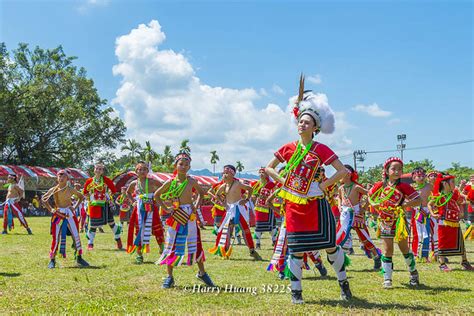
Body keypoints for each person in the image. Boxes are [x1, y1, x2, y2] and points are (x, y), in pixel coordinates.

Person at [265, 75, 352, 304]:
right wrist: (283, 182)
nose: (302, 125)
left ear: (315, 128)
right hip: (294, 204)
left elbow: (342, 171)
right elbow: (269, 168)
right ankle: (296, 293)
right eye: (300, 121)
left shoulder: (320, 148)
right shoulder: (288, 148)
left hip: (316, 203)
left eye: (307, 122)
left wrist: (321, 185)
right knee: (295, 249)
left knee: (331, 247)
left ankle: (343, 283)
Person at [155, 151, 215, 288]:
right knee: (172, 244)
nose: (183, 166)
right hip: (176, 216)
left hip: (190, 216)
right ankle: (169, 277)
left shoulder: (191, 181)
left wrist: (196, 205)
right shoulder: (170, 182)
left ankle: (202, 273)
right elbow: (157, 196)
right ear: (175, 166)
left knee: (196, 243)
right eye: (181, 164)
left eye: (186, 164)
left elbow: (201, 193)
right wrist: (166, 208)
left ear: (189, 167)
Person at [368, 157, 422, 289]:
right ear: (386, 171)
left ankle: (413, 274)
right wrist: (377, 207)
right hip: (385, 222)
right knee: (387, 250)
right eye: (394, 168)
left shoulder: (404, 186)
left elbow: (418, 200)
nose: (397, 171)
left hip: (399, 222)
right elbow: (370, 197)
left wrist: (406, 204)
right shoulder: (380, 186)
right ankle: (387, 279)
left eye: (400, 169)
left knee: (404, 249)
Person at [209, 165, 261, 260]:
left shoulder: (237, 183)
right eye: (224, 172)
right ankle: (224, 250)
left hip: (238, 209)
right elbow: (217, 195)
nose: (224, 174)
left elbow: (250, 189)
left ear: (232, 174)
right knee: (226, 230)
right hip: (229, 210)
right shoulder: (224, 186)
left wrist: (246, 200)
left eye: (226, 172)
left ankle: (252, 250)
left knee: (245, 229)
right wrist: (224, 203)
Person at [336, 165, 382, 270]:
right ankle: (340, 261)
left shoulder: (356, 187)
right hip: (344, 215)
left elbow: (370, 195)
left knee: (364, 238)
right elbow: (339, 197)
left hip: (356, 214)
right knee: (340, 238)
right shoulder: (341, 188)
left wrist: (364, 208)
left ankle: (377, 257)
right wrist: (339, 205)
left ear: (348, 174)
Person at [41, 170, 89, 268]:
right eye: (59, 176)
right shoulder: (53, 189)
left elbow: (81, 197)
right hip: (58, 214)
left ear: (67, 178)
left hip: (70, 214)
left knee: (76, 236)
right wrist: (51, 209)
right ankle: (52, 260)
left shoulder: (71, 189)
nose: (61, 178)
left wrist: (74, 207)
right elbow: (43, 199)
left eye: (63, 176)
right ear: (57, 178)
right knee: (56, 238)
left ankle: (79, 257)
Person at [428, 173, 473, 271]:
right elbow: (429, 204)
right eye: (452, 182)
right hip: (443, 223)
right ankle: (442, 264)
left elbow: (460, 203)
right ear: (445, 183)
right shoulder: (438, 196)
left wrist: (461, 211)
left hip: (455, 222)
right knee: (442, 243)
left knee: (460, 242)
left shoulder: (455, 194)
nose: (454, 184)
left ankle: (465, 262)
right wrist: (432, 214)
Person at [126, 162, 164, 263]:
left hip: (152, 208)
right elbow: (128, 193)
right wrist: (133, 202)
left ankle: (162, 250)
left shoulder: (152, 181)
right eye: (140, 169)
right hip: (139, 209)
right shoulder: (134, 183)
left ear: (147, 171)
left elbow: (164, 188)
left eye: (144, 169)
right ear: (136, 172)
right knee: (139, 229)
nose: (142, 171)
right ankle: (139, 254)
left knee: (157, 228)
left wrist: (157, 199)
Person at [83, 163, 122, 250]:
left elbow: (114, 190)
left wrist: (109, 197)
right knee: (93, 225)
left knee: (111, 223)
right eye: (97, 168)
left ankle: (118, 238)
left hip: (105, 205)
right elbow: (85, 192)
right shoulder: (89, 181)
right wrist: (89, 199)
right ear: (94, 169)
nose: (98, 170)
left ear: (102, 171)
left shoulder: (106, 180)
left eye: (100, 169)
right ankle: (90, 243)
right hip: (94, 205)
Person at [410, 167, 435, 262]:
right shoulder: (411, 187)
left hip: (427, 213)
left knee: (427, 234)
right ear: (413, 177)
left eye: (423, 176)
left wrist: (431, 206)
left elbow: (435, 197)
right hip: (416, 212)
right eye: (418, 176)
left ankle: (425, 255)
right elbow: (407, 199)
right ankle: (415, 254)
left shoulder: (429, 186)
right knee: (416, 234)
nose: (421, 178)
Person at [251, 168, 278, 249]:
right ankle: (258, 243)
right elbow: (253, 195)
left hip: (268, 207)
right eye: (260, 172)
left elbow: (276, 193)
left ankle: (274, 240)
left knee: (272, 226)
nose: (261, 174)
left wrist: (269, 198)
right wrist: (254, 197)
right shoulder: (256, 184)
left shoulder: (271, 184)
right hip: (259, 208)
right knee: (258, 226)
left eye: (263, 172)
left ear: (267, 174)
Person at [460, 175, 474, 240]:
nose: (473, 179)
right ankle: (467, 234)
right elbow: (461, 193)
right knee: (469, 222)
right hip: (470, 206)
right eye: (471, 178)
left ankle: (472, 236)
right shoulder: (468, 186)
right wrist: (466, 196)